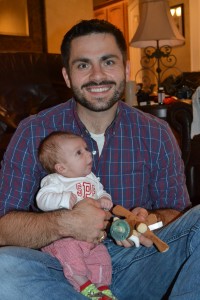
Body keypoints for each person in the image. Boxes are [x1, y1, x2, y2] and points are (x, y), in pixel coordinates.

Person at [0, 18, 200, 300]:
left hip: (138, 264)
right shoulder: (33, 131)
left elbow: (179, 217)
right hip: (61, 267)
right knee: (3, 271)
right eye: (83, 65)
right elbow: (3, 229)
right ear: (67, 76)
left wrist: (150, 219)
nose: (97, 75)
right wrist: (63, 223)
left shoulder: (156, 133)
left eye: (108, 62)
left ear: (125, 69)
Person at [36, 131, 116, 300]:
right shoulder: (56, 181)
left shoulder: (91, 178)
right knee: (71, 257)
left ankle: (103, 288)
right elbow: (42, 200)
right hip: (65, 238)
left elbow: (102, 192)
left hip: (92, 239)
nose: (88, 153)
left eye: (86, 149)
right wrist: (63, 199)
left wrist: (105, 199)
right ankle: (85, 286)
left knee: (102, 257)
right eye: (79, 152)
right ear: (61, 167)